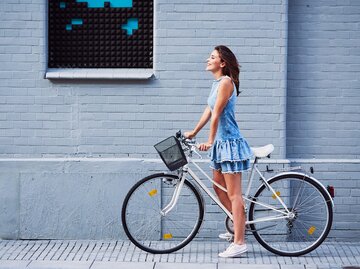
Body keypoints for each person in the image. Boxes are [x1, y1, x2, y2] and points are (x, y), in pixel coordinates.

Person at [184, 45, 252, 258]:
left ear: (222, 63)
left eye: (212, 57)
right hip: (221, 146)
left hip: (229, 144)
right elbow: (209, 110)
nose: (208, 59)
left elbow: (217, 116)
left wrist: (210, 140)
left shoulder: (225, 83)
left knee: (234, 194)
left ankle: (239, 242)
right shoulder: (216, 84)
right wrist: (194, 132)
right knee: (218, 187)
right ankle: (239, 221)